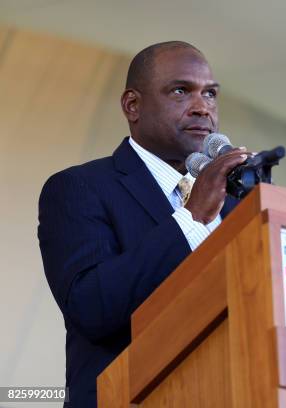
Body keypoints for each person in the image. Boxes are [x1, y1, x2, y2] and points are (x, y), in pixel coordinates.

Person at [37, 41, 248, 407]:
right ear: (132, 105)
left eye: (211, 94)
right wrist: (193, 218)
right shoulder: (80, 188)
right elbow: (92, 307)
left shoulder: (236, 201)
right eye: (181, 91)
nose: (203, 108)